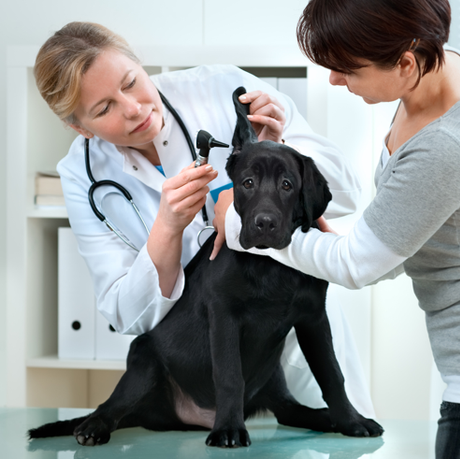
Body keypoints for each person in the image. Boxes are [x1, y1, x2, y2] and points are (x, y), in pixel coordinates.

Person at [215, 0, 460, 457]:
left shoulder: (444, 149)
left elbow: (358, 266)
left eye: (348, 69)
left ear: (406, 63)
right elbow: (407, 232)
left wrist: (241, 226)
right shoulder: (451, 69)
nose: (334, 79)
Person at [33, 21, 376, 419]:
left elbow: (347, 193)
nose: (134, 108)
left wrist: (276, 151)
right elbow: (126, 314)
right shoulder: (81, 174)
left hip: (296, 339)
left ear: (140, 65)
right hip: (197, 370)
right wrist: (167, 229)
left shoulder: (221, 89)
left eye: (130, 82)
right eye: (104, 108)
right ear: (79, 127)